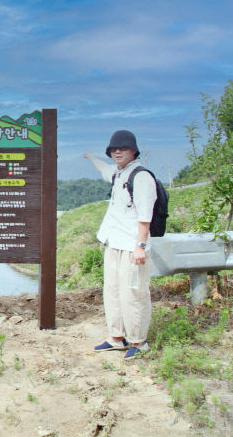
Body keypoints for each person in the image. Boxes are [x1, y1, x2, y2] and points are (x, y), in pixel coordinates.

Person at [84, 130, 156, 360]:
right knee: (112, 292)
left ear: (133, 151)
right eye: (113, 149)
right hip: (113, 243)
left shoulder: (142, 177)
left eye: (122, 148)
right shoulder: (118, 173)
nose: (117, 152)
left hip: (132, 246)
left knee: (133, 294)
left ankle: (138, 341)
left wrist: (140, 246)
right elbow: (103, 169)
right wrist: (91, 157)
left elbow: (145, 215)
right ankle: (117, 337)